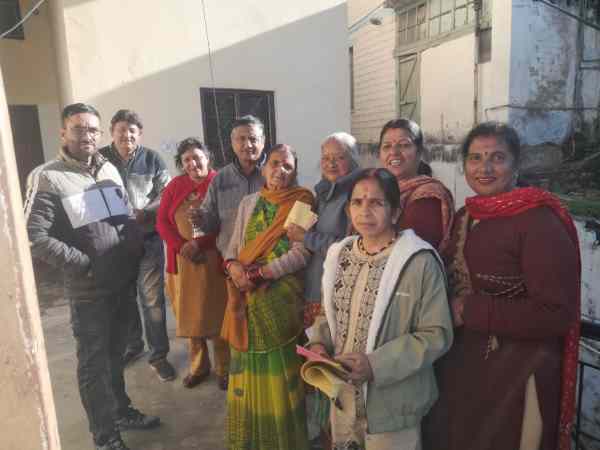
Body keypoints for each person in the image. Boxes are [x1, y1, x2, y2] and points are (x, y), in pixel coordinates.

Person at [423, 122, 581, 450]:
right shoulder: (466, 215)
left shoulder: (539, 221)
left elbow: (555, 314)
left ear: (515, 164)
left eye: (497, 158)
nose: (485, 168)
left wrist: (469, 309)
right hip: (465, 368)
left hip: (519, 371)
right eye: (475, 158)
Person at [25, 103, 160, 450]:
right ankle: (105, 436)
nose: (87, 136)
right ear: (64, 133)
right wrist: (83, 264)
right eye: (79, 129)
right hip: (89, 291)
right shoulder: (49, 177)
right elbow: (33, 235)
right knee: (94, 364)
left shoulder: (108, 170)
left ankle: (120, 412)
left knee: (117, 356)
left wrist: (133, 247)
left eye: (92, 130)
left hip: (120, 283)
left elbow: (123, 217)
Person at [307, 167, 453, 450]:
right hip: (343, 397)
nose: (365, 211)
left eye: (376, 202)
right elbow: (329, 312)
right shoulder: (341, 254)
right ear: (348, 210)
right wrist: (318, 344)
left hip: (394, 405)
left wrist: (375, 365)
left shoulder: (418, 261)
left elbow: (436, 334)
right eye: (357, 202)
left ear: (395, 212)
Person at [222, 144, 314, 450]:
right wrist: (234, 268)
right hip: (243, 293)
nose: (280, 170)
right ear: (264, 167)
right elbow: (234, 247)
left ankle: (282, 441)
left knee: (279, 368)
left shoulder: (302, 200)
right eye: (275, 163)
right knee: (247, 363)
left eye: (288, 166)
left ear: (295, 171)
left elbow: (301, 252)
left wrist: (260, 275)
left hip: (281, 296)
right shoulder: (249, 201)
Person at [99, 109, 175, 382]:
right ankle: (134, 345)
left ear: (139, 134)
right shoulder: (99, 158)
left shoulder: (152, 158)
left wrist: (146, 209)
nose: (127, 135)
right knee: (125, 296)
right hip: (114, 243)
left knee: (153, 300)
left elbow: (165, 192)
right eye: (121, 130)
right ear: (112, 132)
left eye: (132, 131)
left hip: (148, 239)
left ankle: (159, 356)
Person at [156, 138, 229, 389]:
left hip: (212, 261)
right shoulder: (175, 186)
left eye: (197, 157)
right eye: (186, 159)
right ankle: (198, 367)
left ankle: (224, 369)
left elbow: (227, 222)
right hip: (182, 262)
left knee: (217, 316)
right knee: (191, 318)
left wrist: (200, 244)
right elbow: (162, 223)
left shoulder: (219, 182)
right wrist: (180, 246)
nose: (192, 163)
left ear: (207, 157)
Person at [287, 132, 361, 328]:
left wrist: (306, 237)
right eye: (326, 158)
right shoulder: (323, 192)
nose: (331, 163)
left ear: (353, 160)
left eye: (339, 157)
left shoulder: (356, 196)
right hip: (313, 287)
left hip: (337, 294)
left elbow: (353, 249)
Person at [190, 115, 266, 256]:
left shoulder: (276, 175)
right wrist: (201, 219)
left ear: (263, 142)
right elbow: (211, 224)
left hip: (269, 261)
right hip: (231, 261)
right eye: (241, 139)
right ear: (232, 143)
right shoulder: (220, 179)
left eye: (253, 139)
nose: (247, 145)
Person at [378, 118, 454, 251]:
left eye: (404, 145)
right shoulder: (379, 190)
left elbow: (409, 251)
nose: (394, 152)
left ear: (419, 152)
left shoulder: (428, 197)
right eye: (387, 146)